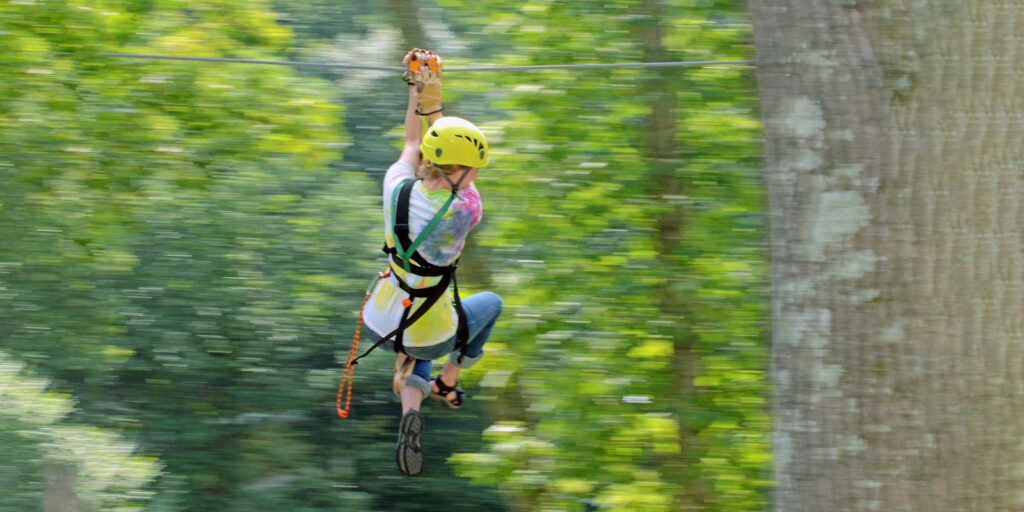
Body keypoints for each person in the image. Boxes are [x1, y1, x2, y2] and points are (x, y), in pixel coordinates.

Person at [360, 48, 502, 477]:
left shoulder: (396, 188)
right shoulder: (466, 210)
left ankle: (412, 409)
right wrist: (433, 95)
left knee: (420, 331)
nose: (475, 177)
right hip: (427, 323)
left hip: (383, 319)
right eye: (472, 170)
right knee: (489, 304)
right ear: (460, 173)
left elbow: (411, 142)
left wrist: (417, 89)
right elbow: (443, 151)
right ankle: (449, 380)